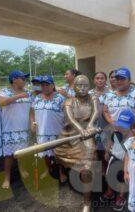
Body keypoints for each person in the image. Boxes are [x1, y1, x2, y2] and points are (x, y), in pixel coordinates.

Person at [54, 75, 99, 212]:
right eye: (79, 85)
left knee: (87, 167)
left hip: (87, 134)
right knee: (59, 157)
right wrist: (80, 129)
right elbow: (70, 118)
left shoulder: (93, 98)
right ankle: (65, 177)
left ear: (89, 87)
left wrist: (89, 127)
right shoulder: (69, 101)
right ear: (73, 87)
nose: (82, 88)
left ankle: (87, 201)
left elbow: (96, 112)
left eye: (85, 85)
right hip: (71, 135)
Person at [0, 70, 32, 189]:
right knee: (9, 156)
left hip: (24, 128)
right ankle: (7, 178)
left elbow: (31, 109)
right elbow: (1, 102)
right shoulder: (4, 91)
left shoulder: (28, 92)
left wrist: (32, 122)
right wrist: (18, 96)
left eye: (25, 78)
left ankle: (21, 169)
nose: (25, 80)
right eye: (22, 78)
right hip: (9, 129)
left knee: (22, 153)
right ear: (14, 79)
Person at [30, 75, 66, 180]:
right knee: (45, 154)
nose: (45, 87)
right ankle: (47, 169)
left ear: (53, 85)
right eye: (42, 85)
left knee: (58, 154)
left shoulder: (60, 98)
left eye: (47, 84)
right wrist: (32, 122)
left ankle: (61, 172)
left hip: (57, 131)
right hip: (41, 131)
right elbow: (31, 112)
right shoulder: (37, 98)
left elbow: (67, 113)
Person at [100, 109, 135, 211]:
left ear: (132, 126)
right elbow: (111, 142)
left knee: (122, 179)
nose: (121, 128)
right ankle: (110, 191)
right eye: (120, 125)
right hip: (114, 157)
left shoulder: (133, 137)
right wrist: (107, 152)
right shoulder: (115, 132)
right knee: (109, 175)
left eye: (125, 126)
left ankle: (121, 196)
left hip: (126, 161)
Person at [89, 72, 112, 174]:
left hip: (106, 127)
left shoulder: (111, 93)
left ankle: (107, 176)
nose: (99, 80)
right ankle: (98, 179)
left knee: (106, 152)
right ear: (94, 80)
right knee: (95, 152)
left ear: (105, 80)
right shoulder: (89, 94)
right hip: (93, 126)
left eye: (102, 78)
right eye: (97, 78)